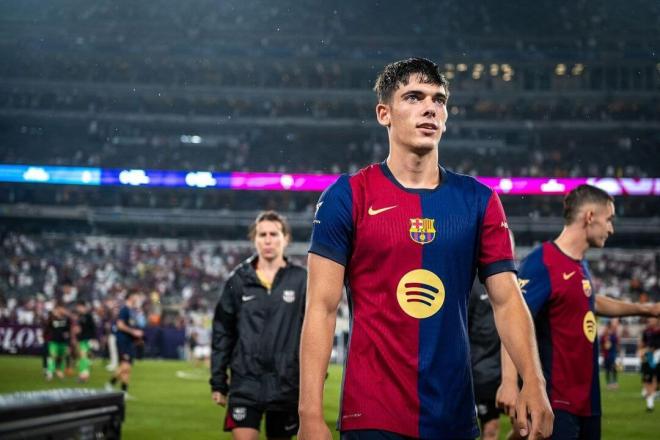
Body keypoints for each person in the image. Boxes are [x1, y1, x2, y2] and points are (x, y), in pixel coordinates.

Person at [298, 58, 553, 440]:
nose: (430, 107)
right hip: (372, 414)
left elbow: (506, 301)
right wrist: (309, 414)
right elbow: (320, 306)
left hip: (453, 415)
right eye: (414, 97)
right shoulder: (347, 196)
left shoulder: (479, 201)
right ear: (384, 113)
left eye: (439, 99)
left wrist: (534, 380)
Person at [498, 184, 660, 439]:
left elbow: (589, 300)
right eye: (609, 219)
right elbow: (513, 318)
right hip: (556, 401)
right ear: (590, 217)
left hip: (587, 402)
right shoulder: (543, 262)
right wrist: (509, 382)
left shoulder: (579, 263)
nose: (611, 228)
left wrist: (647, 309)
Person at [210, 211, 307, 440]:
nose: (268, 239)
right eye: (262, 234)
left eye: (274, 234)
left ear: (286, 238)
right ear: (254, 239)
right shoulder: (238, 280)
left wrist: (312, 380)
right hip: (245, 383)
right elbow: (223, 331)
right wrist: (218, 381)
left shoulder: (302, 280)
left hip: (286, 385)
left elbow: (312, 333)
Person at [468, 230, 520, 440]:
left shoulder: (519, 283)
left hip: (514, 371)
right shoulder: (473, 285)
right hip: (483, 374)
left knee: (526, 428)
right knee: (490, 429)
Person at [105, 290, 144, 398]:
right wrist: (133, 332)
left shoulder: (132, 311)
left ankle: (123, 392)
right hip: (123, 340)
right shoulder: (124, 310)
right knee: (125, 365)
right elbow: (120, 325)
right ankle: (109, 384)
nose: (138, 298)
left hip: (129, 341)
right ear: (131, 297)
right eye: (136, 295)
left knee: (128, 367)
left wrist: (136, 336)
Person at [45, 301, 72, 380]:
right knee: (52, 356)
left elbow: (69, 331)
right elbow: (47, 327)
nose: (62, 310)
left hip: (63, 342)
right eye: (60, 308)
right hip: (54, 341)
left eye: (63, 308)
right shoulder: (52, 318)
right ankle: (49, 372)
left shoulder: (66, 319)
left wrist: (68, 344)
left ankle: (59, 371)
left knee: (61, 357)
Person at [639, 316, 660, 411]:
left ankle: (651, 398)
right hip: (649, 358)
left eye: (653, 318)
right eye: (650, 318)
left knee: (655, 378)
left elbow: (654, 346)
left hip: (657, 357)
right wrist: (641, 352)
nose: (650, 320)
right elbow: (642, 343)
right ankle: (650, 401)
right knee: (647, 379)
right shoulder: (646, 331)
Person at [74, 300, 97, 382]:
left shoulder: (88, 316)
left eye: (78, 307)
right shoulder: (79, 316)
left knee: (83, 356)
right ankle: (83, 375)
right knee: (82, 357)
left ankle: (84, 375)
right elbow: (79, 328)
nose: (77, 308)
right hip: (81, 339)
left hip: (87, 339)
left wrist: (94, 339)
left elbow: (93, 328)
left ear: (83, 307)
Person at [599, 319, 620, 390]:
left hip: (612, 354)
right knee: (607, 369)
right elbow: (601, 344)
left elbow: (616, 342)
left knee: (613, 367)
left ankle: (614, 382)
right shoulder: (604, 335)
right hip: (606, 355)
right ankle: (608, 383)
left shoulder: (613, 335)